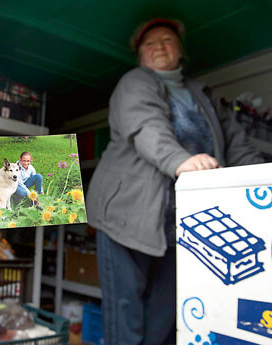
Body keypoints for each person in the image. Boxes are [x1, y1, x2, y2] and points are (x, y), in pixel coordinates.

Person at [86, 18, 264, 345]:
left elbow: (236, 145)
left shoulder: (203, 95)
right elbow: (145, 125)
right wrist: (179, 160)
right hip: (127, 216)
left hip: (183, 222)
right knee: (126, 315)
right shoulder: (134, 82)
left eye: (167, 40)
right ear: (139, 55)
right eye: (149, 43)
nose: (159, 47)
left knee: (165, 315)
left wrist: (264, 180)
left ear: (180, 49)